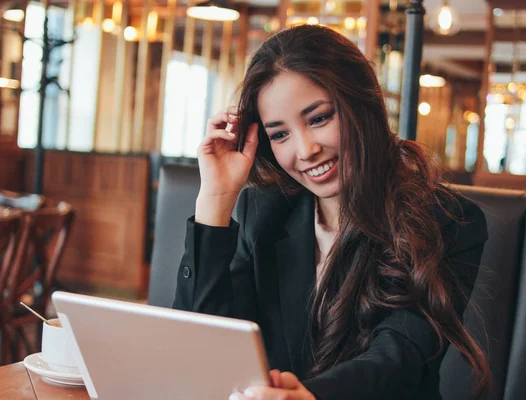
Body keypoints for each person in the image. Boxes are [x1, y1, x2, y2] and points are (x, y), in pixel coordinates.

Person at [173, 24, 490, 400]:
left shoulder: (447, 220)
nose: (305, 150)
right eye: (280, 134)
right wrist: (216, 197)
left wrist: (311, 396)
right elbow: (203, 339)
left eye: (319, 118)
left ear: (362, 105)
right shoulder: (268, 212)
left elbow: (399, 358)